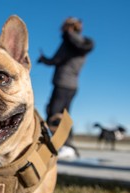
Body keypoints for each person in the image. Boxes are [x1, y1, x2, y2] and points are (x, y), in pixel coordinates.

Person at [37, 17, 94, 148]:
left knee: (54, 112)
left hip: (62, 82)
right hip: (73, 85)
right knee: (65, 115)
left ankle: (49, 145)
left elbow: (56, 60)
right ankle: (68, 144)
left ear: (68, 27)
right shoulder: (83, 43)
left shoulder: (69, 41)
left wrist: (43, 59)